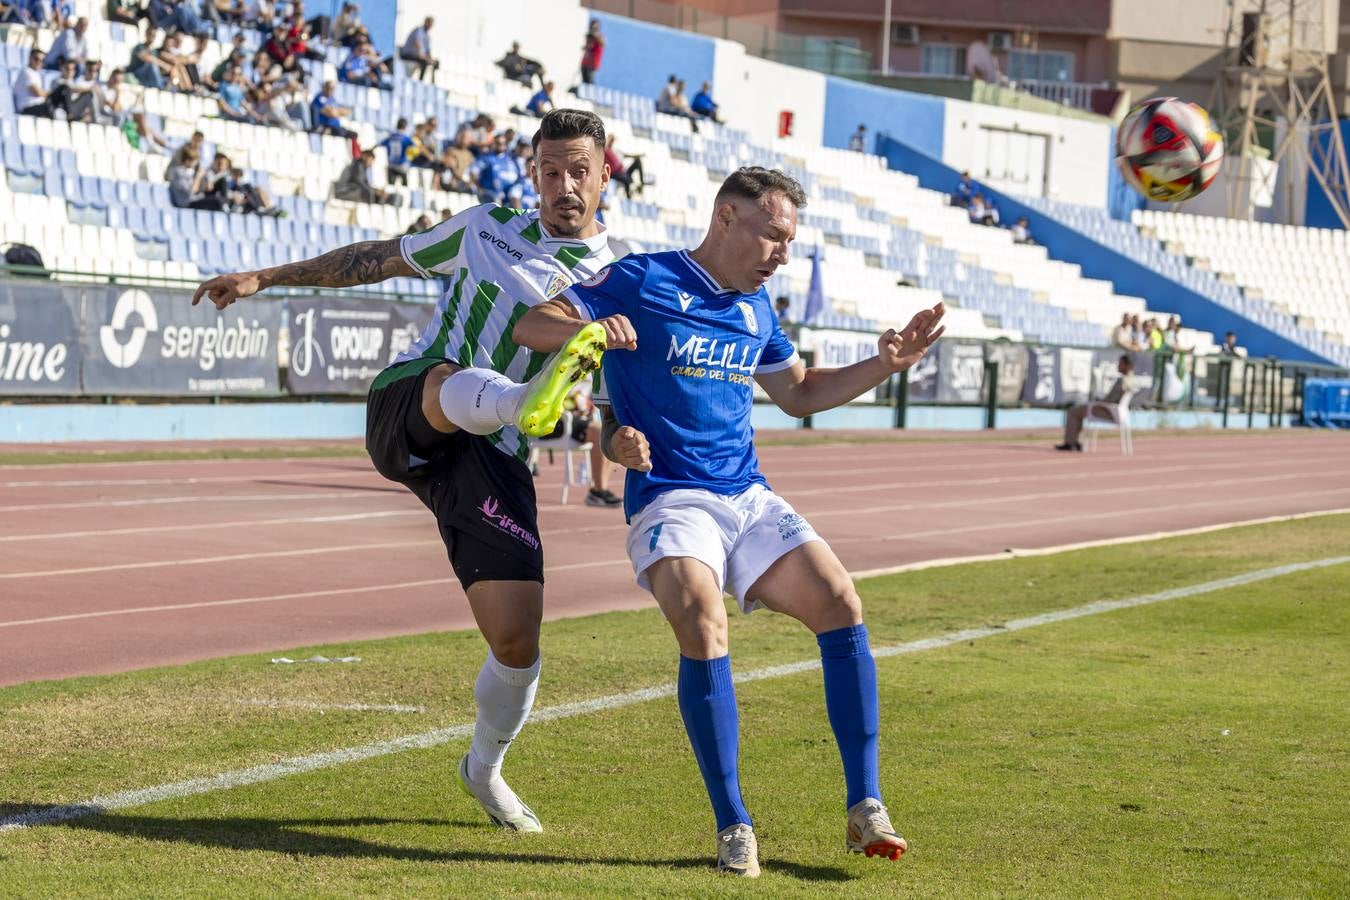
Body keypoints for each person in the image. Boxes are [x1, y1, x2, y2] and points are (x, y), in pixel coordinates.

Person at [192, 108, 628, 836]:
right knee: (457, 374)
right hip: (415, 401)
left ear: (603, 172)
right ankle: (523, 400)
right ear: (531, 172)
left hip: (491, 456)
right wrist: (264, 276)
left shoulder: (618, 277)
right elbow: (376, 258)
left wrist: (623, 449)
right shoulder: (487, 226)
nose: (563, 185)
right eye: (549, 171)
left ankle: (483, 768)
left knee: (517, 642)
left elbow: (624, 411)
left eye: (577, 170)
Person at [514, 166, 942, 877]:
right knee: (704, 624)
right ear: (727, 218)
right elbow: (533, 325)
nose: (781, 252)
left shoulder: (756, 309)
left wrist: (882, 363)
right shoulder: (642, 279)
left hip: (746, 495)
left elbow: (799, 395)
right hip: (672, 501)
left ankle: (865, 805)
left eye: (789, 241)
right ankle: (733, 823)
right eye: (773, 234)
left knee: (841, 602)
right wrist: (590, 325)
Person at [1056, 355, 1136, 451]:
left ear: (1126, 365)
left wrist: (1098, 402)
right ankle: (1073, 441)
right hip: (1120, 412)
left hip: (1109, 411)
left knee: (1073, 412)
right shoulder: (1131, 379)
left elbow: (1111, 400)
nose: (1118, 366)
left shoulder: (1124, 380)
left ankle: (1070, 442)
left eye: (1120, 364)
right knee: (1078, 411)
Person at [470, 133, 523, 205]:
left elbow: (519, 176)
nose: (501, 145)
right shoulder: (486, 157)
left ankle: (519, 216)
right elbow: (473, 172)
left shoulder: (511, 159)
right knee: (496, 201)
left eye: (503, 143)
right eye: (498, 143)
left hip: (507, 195)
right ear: (493, 144)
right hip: (489, 193)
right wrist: (479, 188)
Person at [334, 149, 399, 205]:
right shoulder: (357, 165)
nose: (371, 163)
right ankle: (371, 211)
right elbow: (359, 182)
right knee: (369, 193)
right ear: (364, 156)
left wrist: (377, 191)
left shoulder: (362, 167)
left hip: (352, 189)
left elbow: (364, 184)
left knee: (376, 194)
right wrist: (375, 192)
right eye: (371, 160)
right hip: (344, 191)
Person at [602, 134, 643, 199]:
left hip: (623, 171)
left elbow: (627, 155)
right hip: (615, 173)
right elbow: (605, 146)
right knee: (627, 180)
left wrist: (639, 155)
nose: (612, 143)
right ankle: (632, 189)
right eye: (611, 141)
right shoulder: (605, 150)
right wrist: (609, 139)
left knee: (638, 162)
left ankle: (640, 184)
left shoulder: (615, 151)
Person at [13, 49, 52, 116]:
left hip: (37, 107)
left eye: (42, 60)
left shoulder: (36, 74)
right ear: (30, 58)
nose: (39, 62)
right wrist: (53, 94)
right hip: (27, 108)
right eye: (36, 59)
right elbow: (38, 93)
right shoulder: (26, 72)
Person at [400, 16, 438, 82]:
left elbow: (428, 50)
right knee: (424, 62)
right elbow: (417, 43)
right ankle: (420, 81)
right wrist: (424, 57)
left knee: (436, 63)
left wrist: (430, 59)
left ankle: (433, 81)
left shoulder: (427, 35)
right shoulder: (418, 31)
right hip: (408, 54)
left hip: (418, 55)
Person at [382, 118, 414, 186]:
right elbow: (413, 146)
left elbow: (382, 144)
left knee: (391, 187)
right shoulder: (405, 138)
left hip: (391, 164)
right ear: (405, 126)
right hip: (401, 165)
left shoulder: (391, 137)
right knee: (405, 187)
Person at [579, 19, 603, 85]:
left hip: (593, 63)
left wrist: (596, 37)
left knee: (590, 81)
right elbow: (586, 47)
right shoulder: (589, 36)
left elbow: (603, 44)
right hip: (586, 62)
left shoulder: (599, 36)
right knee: (585, 80)